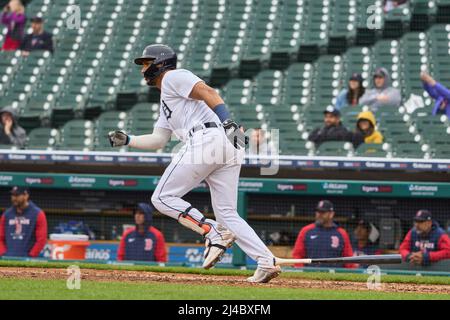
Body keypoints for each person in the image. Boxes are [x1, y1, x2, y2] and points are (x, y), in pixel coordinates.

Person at [108, 44, 280, 283]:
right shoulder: (167, 100)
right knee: (228, 213)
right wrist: (128, 140)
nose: (143, 70)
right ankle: (265, 261)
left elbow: (207, 90)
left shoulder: (172, 76)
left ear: (160, 63)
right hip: (225, 144)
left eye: (147, 63)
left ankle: (212, 231)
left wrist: (227, 120)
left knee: (161, 198)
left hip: (209, 139)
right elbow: (159, 139)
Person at [292, 200, 355, 268]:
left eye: (323, 212)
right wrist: (301, 272)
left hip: (335, 274)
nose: (319, 214)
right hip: (311, 274)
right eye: (318, 211)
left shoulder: (341, 233)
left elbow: (349, 259)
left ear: (331, 214)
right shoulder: (306, 231)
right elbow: (297, 255)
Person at [0, 187, 47, 257]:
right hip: (7, 258)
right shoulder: (6, 214)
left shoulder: (38, 214)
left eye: (17, 195)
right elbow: (0, 237)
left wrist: (31, 256)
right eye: (12, 195)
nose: (14, 198)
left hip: (28, 259)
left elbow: (41, 239)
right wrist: (3, 254)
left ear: (26, 195)